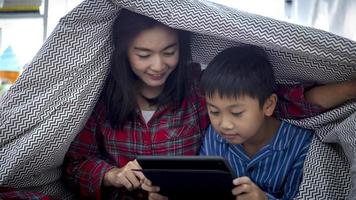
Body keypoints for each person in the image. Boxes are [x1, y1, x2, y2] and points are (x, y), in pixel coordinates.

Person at [62, 8, 209, 200]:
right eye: (144, 55)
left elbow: (226, 152)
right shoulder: (101, 97)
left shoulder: (199, 89)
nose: (158, 66)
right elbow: (74, 166)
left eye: (169, 52)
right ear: (124, 52)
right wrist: (112, 175)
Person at [199, 45, 313, 200]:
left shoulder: (299, 144)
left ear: (268, 105)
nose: (224, 124)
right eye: (214, 111)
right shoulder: (213, 136)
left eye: (236, 113)